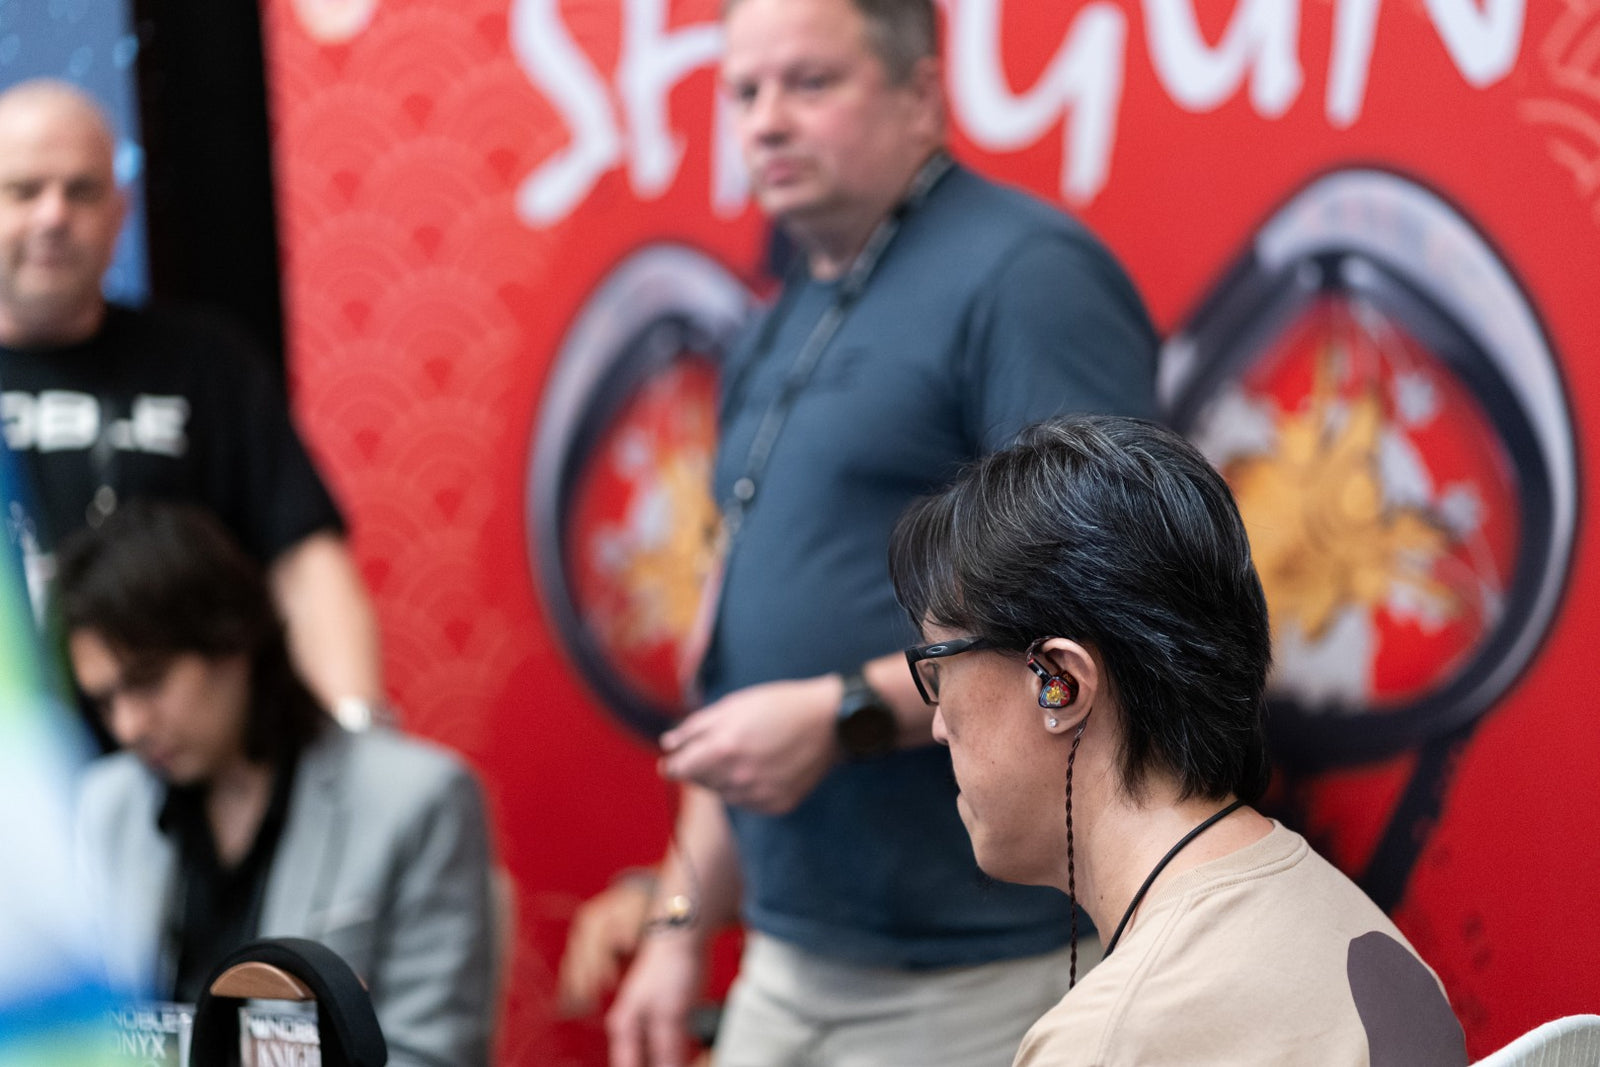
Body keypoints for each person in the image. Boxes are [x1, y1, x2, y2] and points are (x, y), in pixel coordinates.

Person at [604, 0, 1159, 1062]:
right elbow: (736, 676)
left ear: (921, 96)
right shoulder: (780, 320)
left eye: (810, 82)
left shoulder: (1028, 277)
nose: (766, 120)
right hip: (786, 957)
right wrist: (680, 924)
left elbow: (1099, 608)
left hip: (986, 964)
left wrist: (843, 715)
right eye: (744, 91)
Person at [887, 415, 1468, 1066]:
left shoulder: (1114, 1040)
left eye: (938, 670)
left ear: (1060, 684)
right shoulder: (1368, 932)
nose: (937, 723)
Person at [0, 78, 382, 725]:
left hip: (188, 766)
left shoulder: (205, 362)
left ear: (120, 211)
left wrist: (357, 728)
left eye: (82, 190)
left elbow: (304, 563)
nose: (53, 217)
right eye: (24, 190)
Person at [61, 501, 496, 1067]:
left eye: (148, 682)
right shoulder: (103, 805)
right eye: (104, 701)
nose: (128, 726)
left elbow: (434, 1057)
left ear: (230, 640)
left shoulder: (418, 801)